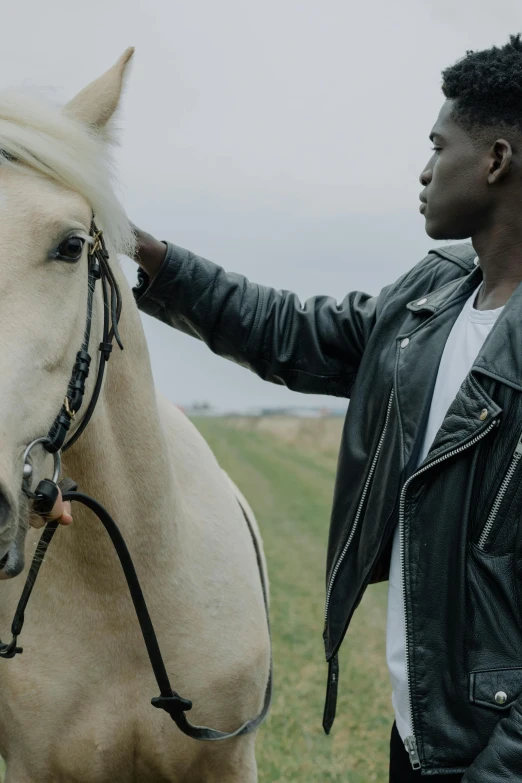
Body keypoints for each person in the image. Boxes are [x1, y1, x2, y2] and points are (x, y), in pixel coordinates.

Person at [130, 35, 522, 782]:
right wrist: (152, 256)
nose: (425, 168)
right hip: (420, 733)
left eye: (440, 146)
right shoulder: (428, 300)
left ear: (496, 160)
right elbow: (292, 330)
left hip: (493, 756)